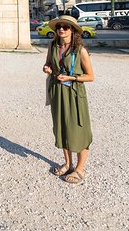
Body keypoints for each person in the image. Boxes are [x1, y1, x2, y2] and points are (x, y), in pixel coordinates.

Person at [41, 15, 95, 185]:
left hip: (74, 93)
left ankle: (80, 168)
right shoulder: (52, 45)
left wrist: (72, 78)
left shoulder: (80, 50)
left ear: (73, 30)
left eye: (65, 27)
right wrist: (47, 68)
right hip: (57, 91)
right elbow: (48, 63)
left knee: (79, 128)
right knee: (62, 127)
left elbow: (90, 76)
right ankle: (68, 163)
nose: (61, 29)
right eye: (59, 27)